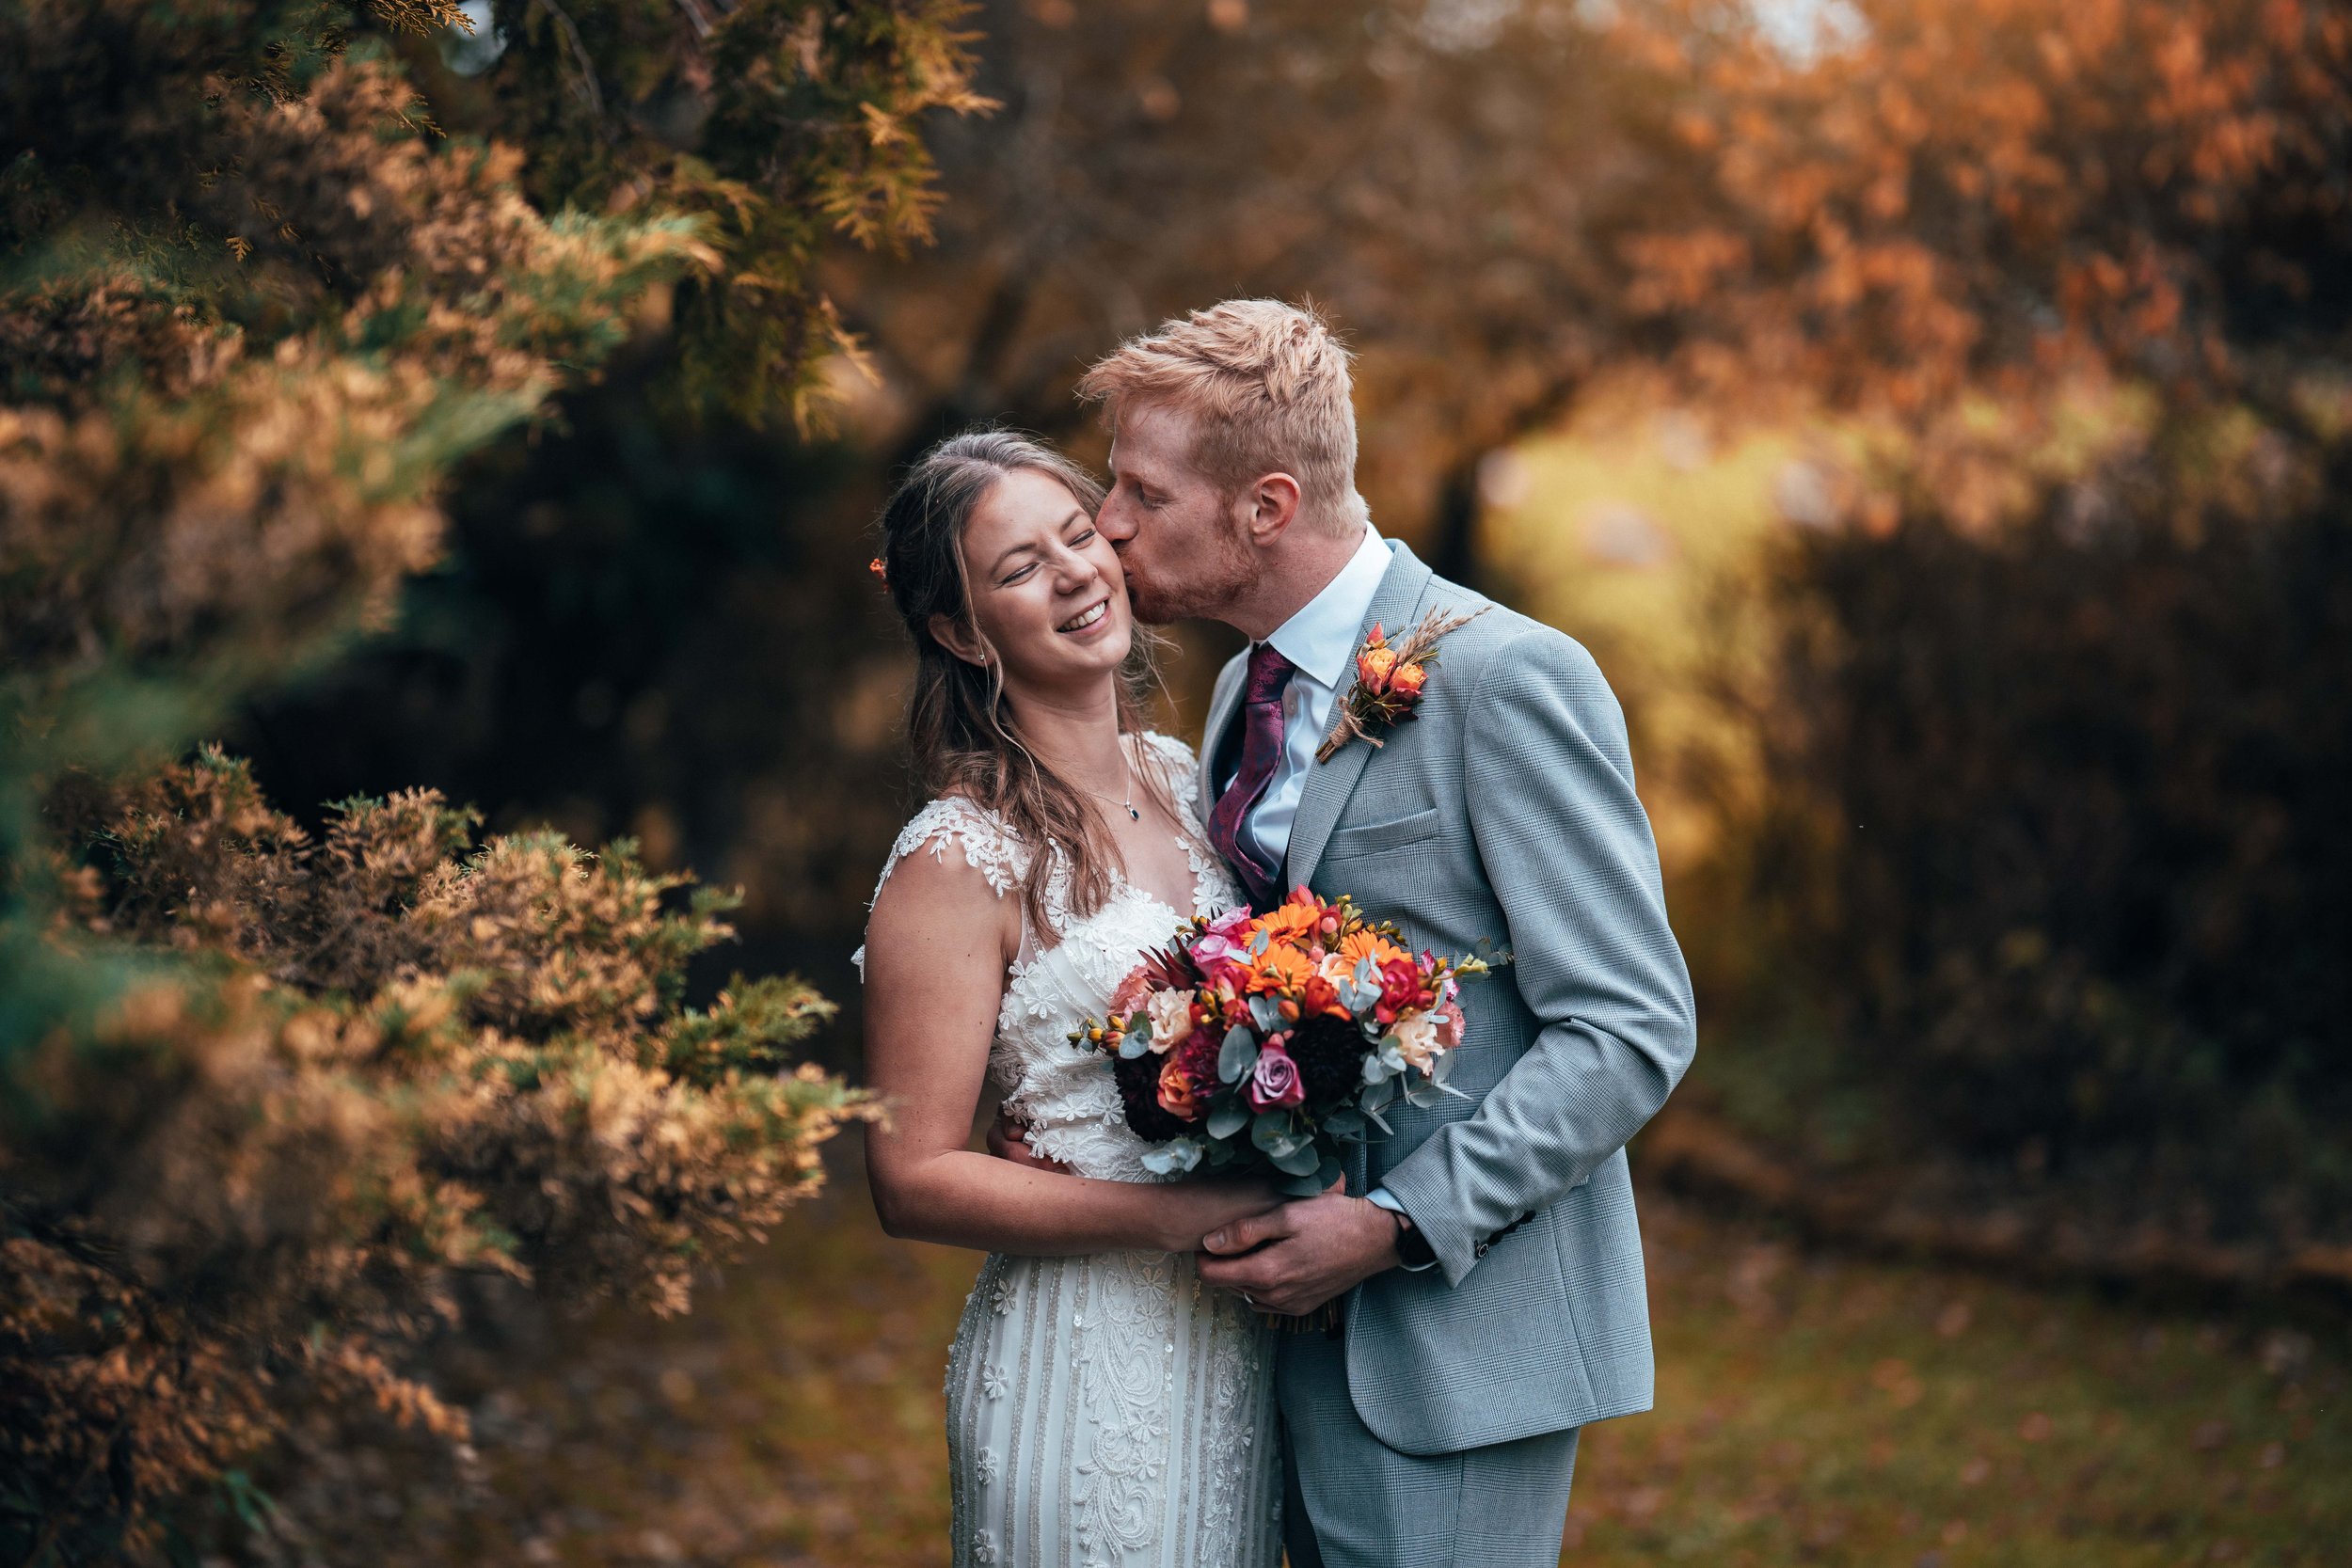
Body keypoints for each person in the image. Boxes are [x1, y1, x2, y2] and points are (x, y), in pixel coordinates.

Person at [995, 299, 1700, 1567]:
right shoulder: (1235, 690)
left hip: (1453, 1348)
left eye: (1143, 492)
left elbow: (1632, 1024)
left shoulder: (1504, 679)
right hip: (1260, 1342)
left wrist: (1396, 1221)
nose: (1106, 521)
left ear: (1265, 506)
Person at [856, 430, 1286, 1568]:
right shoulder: (957, 855)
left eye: (1076, 533)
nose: (1073, 573)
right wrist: (1177, 1215)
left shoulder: (1190, 777)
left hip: (1241, 1352)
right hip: (1086, 1359)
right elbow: (910, 1176)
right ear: (958, 629)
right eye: (1016, 568)